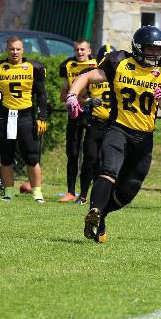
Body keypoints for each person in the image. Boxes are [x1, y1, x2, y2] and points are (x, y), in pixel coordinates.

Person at [66, 26, 161, 243]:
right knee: (109, 171)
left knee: (130, 189)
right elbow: (87, 77)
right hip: (118, 129)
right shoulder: (119, 63)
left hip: (144, 137)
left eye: (158, 50)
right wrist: (72, 95)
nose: (155, 54)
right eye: (150, 49)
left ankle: (101, 215)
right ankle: (94, 209)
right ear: (138, 48)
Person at [0, 37, 48, 203]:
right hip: (5, 115)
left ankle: (37, 193)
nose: (15, 52)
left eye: (18, 49)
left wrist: (42, 116)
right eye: (12, 49)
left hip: (26, 116)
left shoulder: (33, 67)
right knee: (6, 156)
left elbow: (41, 95)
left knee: (32, 157)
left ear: (23, 50)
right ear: (7, 50)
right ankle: (9, 193)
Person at [58, 40, 97, 202]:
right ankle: (71, 191)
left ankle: (87, 193)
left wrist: (89, 101)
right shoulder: (69, 65)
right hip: (75, 113)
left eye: (82, 49)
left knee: (91, 155)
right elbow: (63, 95)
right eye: (77, 50)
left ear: (89, 51)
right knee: (72, 153)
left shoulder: (97, 65)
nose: (80, 52)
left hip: (94, 113)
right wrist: (79, 99)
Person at [76, 44, 115, 204]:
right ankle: (83, 195)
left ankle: (106, 196)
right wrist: (90, 101)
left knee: (107, 163)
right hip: (96, 124)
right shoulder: (91, 74)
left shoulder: (120, 75)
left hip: (113, 127)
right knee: (90, 160)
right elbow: (80, 98)